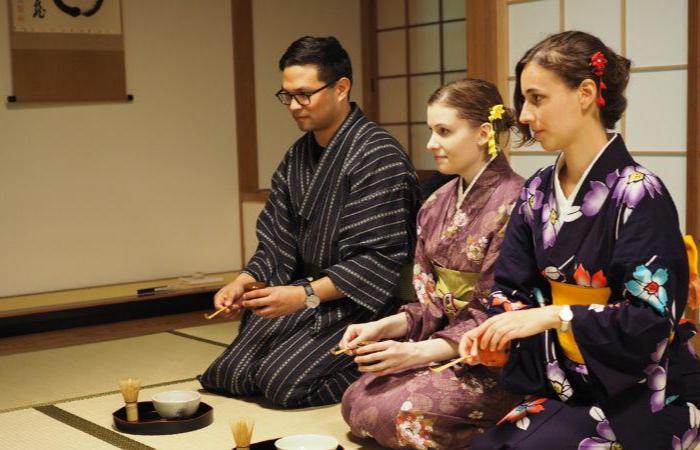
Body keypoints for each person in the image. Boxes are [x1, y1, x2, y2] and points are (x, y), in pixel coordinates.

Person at [460, 31, 700, 449]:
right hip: (561, 378)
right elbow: (512, 286)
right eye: (524, 101)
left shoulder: (641, 192)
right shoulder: (536, 189)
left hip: (645, 388)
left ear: (586, 93)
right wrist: (497, 332)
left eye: (537, 98)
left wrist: (556, 316)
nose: (525, 116)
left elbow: (650, 320)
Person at [199, 36, 420, 408]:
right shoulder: (297, 156)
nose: (294, 107)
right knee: (229, 375)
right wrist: (243, 282)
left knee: (284, 386)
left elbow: (378, 259)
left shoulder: (379, 155)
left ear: (341, 88)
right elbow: (277, 241)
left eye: (304, 95)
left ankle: (390, 359)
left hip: (359, 302)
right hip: (305, 295)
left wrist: (305, 295)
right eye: (287, 96)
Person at [340, 78, 524, 449]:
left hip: (493, 357)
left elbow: (496, 314)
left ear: (482, 133)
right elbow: (431, 303)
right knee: (355, 401)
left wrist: (413, 353)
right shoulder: (437, 201)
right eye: (431, 131)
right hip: (444, 347)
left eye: (444, 131)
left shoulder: (517, 203)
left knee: (401, 414)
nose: (431, 143)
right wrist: (382, 327)